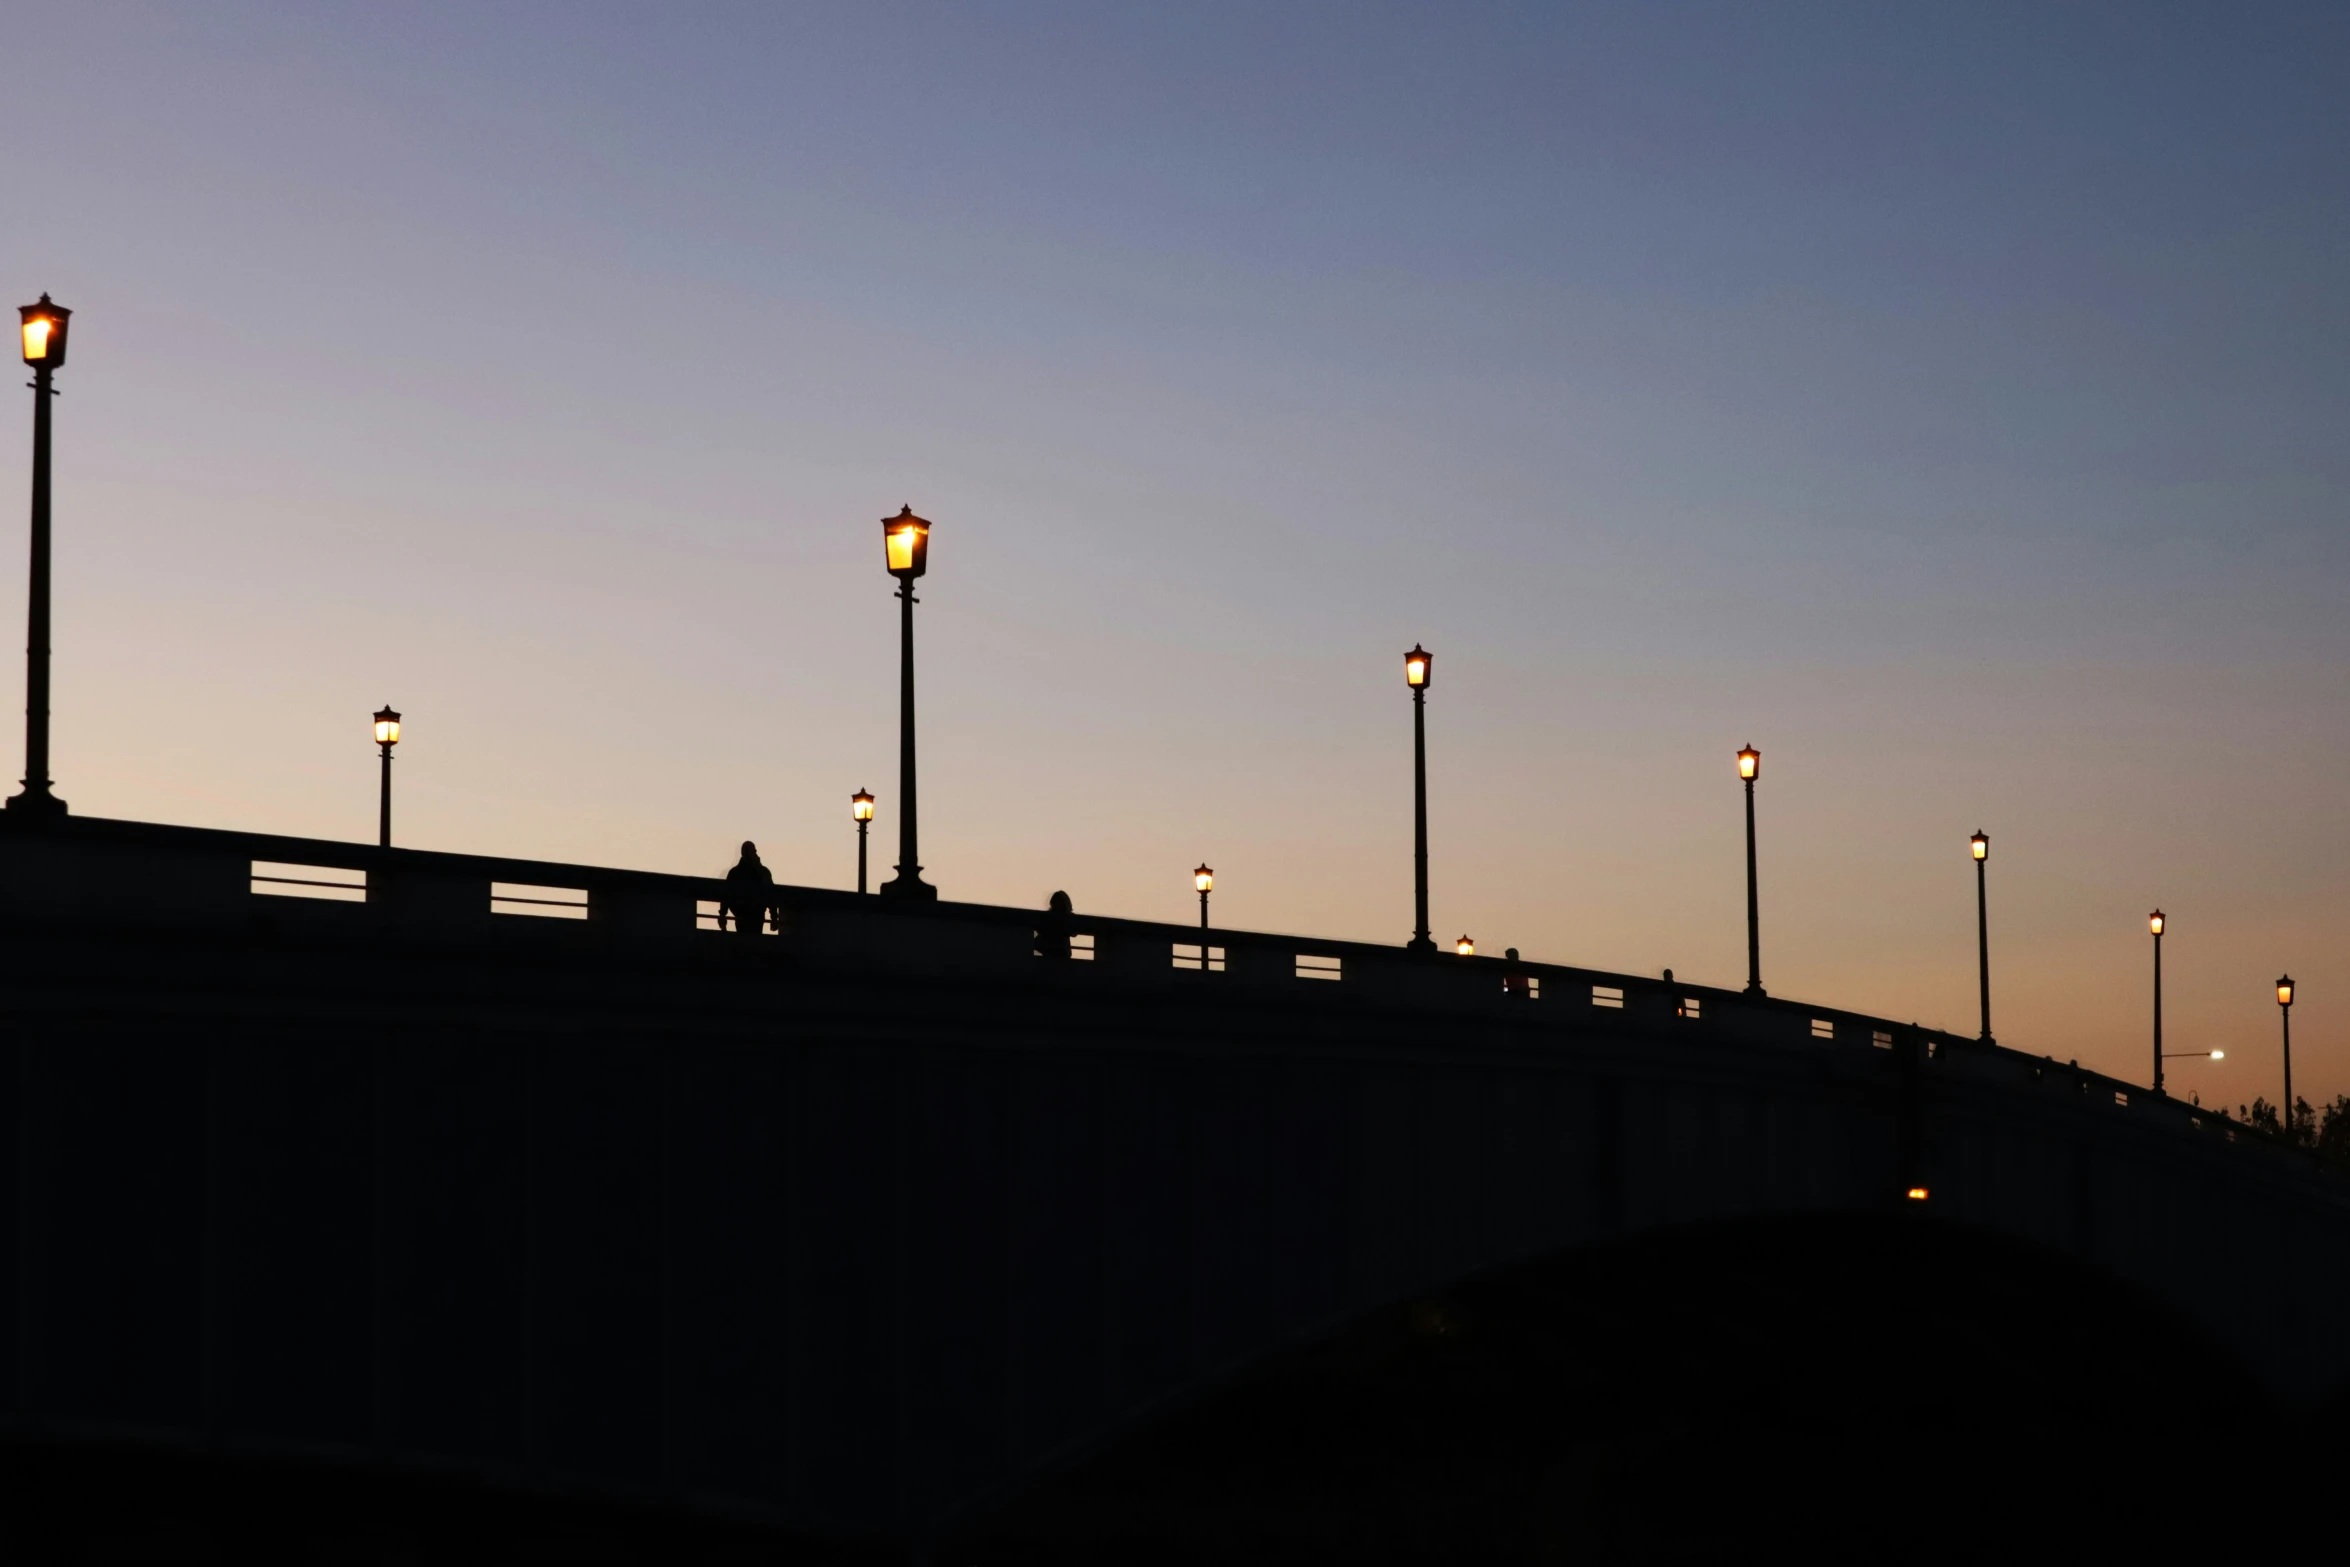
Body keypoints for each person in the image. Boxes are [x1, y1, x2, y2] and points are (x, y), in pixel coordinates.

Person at [722, 840, 775, 936]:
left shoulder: (735, 872)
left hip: (745, 915)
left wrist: (722, 914)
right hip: (751, 915)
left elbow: (726, 894)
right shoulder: (763, 872)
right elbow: (771, 894)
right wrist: (774, 917)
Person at [1035, 889, 1073, 960]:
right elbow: (1074, 932)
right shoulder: (1067, 919)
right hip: (1063, 955)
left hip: (1048, 955)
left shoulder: (1046, 917)